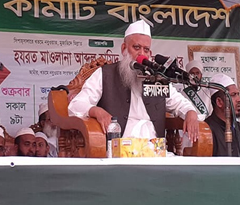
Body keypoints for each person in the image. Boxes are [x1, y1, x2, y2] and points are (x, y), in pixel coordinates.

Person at [69, 20, 199, 140]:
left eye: (146, 49)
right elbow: (76, 105)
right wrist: (97, 111)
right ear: (124, 49)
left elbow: (181, 104)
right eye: (136, 47)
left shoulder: (158, 78)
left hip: (155, 151)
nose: (141, 53)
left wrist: (191, 113)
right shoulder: (105, 74)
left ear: (150, 54)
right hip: (120, 151)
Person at [204, 73, 240, 157]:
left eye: (238, 94)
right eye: (233, 95)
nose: (239, 99)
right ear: (219, 102)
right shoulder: (207, 131)